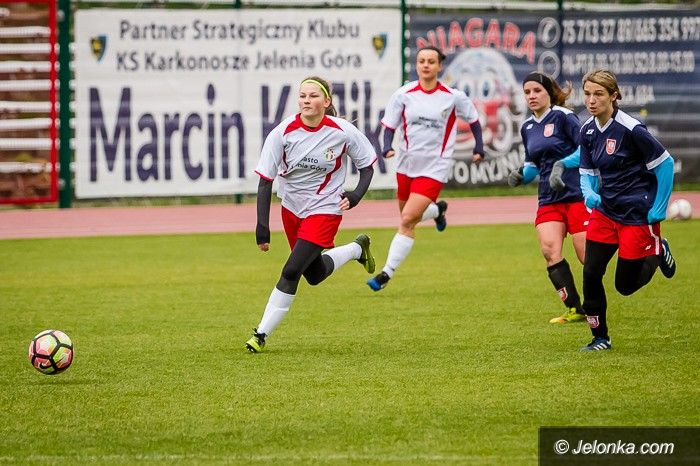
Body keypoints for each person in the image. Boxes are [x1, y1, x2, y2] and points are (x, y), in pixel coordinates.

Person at [246, 76, 377, 353]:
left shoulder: (342, 131)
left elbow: (367, 166)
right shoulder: (282, 133)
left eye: (313, 96)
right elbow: (265, 181)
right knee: (314, 274)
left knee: (291, 270)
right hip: (292, 209)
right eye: (302, 96)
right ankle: (357, 249)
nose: (306, 101)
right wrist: (262, 226)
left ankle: (260, 334)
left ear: (326, 101)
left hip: (325, 209)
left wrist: (355, 195)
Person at [367, 46, 484, 291]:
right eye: (422, 61)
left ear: (440, 66)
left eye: (431, 61)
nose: (426, 65)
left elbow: (473, 120)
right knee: (408, 216)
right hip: (406, 164)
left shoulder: (452, 96)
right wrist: (387, 147)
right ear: (417, 65)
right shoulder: (404, 94)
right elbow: (389, 125)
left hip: (434, 167)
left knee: (408, 219)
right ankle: (437, 211)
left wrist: (479, 147)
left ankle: (386, 273)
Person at [577, 69, 676, 351]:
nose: (591, 100)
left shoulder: (632, 129)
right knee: (591, 272)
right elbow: (587, 171)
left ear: (614, 96)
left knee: (625, 286)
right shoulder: (587, 130)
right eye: (587, 94)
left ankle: (658, 251)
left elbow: (666, 164)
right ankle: (600, 338)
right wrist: (588, 192)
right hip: (606, 212)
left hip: (636, 214)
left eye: (598, 94)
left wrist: (659, 207)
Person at [507, 72, 589, 324]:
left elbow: (586, 149)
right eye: (527, 92)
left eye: (537, 91)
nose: (531, 96)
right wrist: (521, 175)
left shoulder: (564, 117)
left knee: (587, 257)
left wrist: (561, 167)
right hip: (548, 199)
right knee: (550, 250)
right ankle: (575, 309)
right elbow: (532, 165)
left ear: (549, 92)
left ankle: (641, 255)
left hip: (577, 195)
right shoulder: (527, 127)